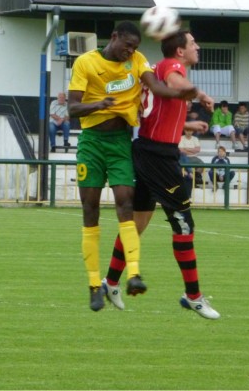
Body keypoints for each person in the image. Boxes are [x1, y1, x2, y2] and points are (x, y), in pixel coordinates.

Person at [67, 21, 197, 311]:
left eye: (135, 47)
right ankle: (95, 284)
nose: (131, 51)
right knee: (91, 211)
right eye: (127, 45)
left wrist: (183, 94)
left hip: (121, 143)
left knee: (126, 205)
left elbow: (156, 87)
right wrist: (99, 104)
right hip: (91, 143)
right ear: (114, 37)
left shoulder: (137, 61)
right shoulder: (86, 63)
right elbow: (72, 108)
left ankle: (133, 275)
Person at [100, 29, 218, 319]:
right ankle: (193, 296)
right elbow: (176, 82)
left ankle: (111, 281)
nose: (197, 46)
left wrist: (187, 127)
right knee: (184, 225)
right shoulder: (171, 67)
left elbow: (158, 112)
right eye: (193, 43)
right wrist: (198, 92)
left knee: (137, 224)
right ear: (180, 51)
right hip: (158, 158)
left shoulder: (157, 68)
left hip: (147, 150)